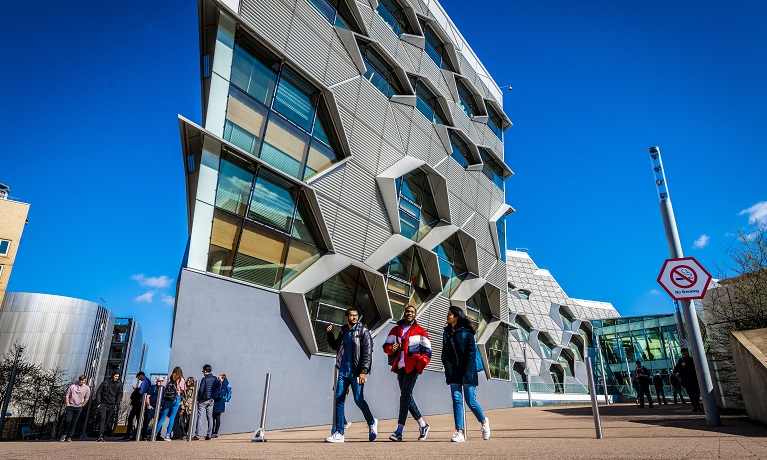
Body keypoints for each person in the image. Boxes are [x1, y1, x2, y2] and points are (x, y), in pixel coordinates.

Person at [324, 307, 378, 443]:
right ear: (346, 317)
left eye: (356, 315)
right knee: (339, 399)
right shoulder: (343, 332)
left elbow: (367, 353)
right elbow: (336, 346)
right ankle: (339, 433)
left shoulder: (363, 332)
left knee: (358, 399)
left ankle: (372, 422)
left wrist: (364, 371)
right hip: (343, 371)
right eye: (351, 315)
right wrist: (329, 334)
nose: (354, 317)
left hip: (356, 372)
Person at [441, 306, 490, 442]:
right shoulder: (446, 332)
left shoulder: (467, 332)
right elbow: (445, 351)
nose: (447, 316)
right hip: (453, 371)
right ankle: (459, 432)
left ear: (456, 316)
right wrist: (446, 364)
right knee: (456, 400)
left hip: (468, 370)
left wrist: (468, 372)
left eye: (449, 314)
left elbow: (471, 353)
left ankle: (484, 421)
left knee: (471, 401)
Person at [383, 305, 432, 442]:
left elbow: (428, 351)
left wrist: (420, 363)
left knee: (404, 395)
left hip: (413, 367)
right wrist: (391, 348)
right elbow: (386, 346)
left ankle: (399, 431)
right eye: (407, 311)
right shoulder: (396, 329)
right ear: (404, 313)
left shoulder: (420, 331)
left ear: (415, 315)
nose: (409, 313)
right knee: (407, 397)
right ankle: (423, 425)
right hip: (401, 367)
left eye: (412, 312)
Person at [156, 367, 186, 441]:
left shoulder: (170, 378)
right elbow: (182, 390)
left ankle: (155, 433)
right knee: (172, 417)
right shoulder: (181, 379)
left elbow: (166, 388)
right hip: (177, 398)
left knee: (163, 417)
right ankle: (168, 435)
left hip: (168, 399)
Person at [60, 375, 90, 442]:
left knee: (74, 422)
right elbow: (67, 395)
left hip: (78, 407)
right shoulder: (72, 387)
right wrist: (67, 404)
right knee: (68, 420)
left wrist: (82, 405)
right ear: (79, 380)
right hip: (71, 406)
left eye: (84, 381)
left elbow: (87, 397)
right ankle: (64, 434)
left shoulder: (87, 388)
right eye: (82, 381)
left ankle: (69, 436)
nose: (83, 382)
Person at [193, 364, 220, 440]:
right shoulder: (215, 379)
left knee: (200, 417)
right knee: (210, 417)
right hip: (211, 400)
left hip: (203, 399)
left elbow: (201, 390)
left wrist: (198, 399)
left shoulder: (204, 379)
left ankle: (197, 435)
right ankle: (209, 434)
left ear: (205, 371)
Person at [94, 372, 123, 442]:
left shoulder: (119, 384)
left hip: (112, 404)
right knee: (102, 419)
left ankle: (102, 434)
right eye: (115, 376)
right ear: (112, 376)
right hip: (103, 403)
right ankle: (100, 435)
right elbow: (99, 392)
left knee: (107, 421)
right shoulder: (106, 382)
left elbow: (120, 394)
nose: (116, 377)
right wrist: (99, 403)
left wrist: (117, 404)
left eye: (117, 376)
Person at [124, 371, 150, 440]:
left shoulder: (145, 381)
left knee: (132, 417)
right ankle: (135, 434)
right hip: (140, 403)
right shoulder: (147, 381)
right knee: (138, 418)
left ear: (141, 375)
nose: (139, 379)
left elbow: (142, 391)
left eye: (139, 378)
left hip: (139, 403)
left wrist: (136, 390)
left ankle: (130, 434)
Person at [212, 374, 229, 438]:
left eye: (219, 379)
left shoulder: (223, 385)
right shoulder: (221, 384)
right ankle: (213, 432)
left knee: (217, 417)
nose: (218, 380)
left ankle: (215, 432)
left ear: (222, 379)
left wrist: (215, 396)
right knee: (214, 418)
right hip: (218, 402)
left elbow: (221, 395)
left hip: (219, 402)